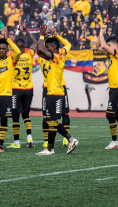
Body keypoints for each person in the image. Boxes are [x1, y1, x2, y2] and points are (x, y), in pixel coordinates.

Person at [36, 24, 79, 155]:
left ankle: (64, 142)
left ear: (54, 48)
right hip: (54, 93)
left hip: (55, 93)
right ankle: (53, 147)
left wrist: (42, 36)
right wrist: (51, 37)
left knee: (52, 121)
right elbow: (40, 50)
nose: (46, 49)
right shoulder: (57, 54)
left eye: (48, 47)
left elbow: (41, 50)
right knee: (52, 121)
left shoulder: (58, 57)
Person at [97, 25, 118, 150]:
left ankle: (115, 141)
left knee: (110, 115)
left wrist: (102, 32)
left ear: (115, 46)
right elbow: (99, 46)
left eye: (110, 45)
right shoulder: (112, 55)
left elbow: (104, 46)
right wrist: (101, 34)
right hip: (114, 89)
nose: (108, 47)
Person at [8, 20, 38, 148]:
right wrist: (26, 30)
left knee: (15, 115)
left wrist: (17, 31)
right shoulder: (29, 54)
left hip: (16, 89)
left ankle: (16, 143)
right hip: (29, 89)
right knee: (26, 114)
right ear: (25, 46)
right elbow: (35, 43)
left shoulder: (12, 55)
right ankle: (30, 138)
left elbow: (10, 45)